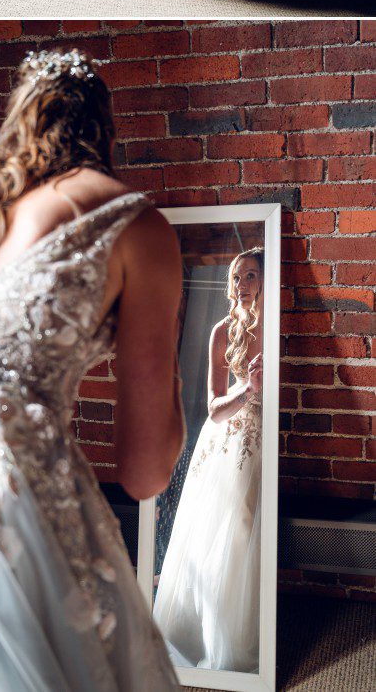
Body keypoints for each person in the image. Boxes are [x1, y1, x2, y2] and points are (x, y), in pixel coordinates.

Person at [0, 48, 186, 691]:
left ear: (19, 124)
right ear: (105, 131)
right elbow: (146, 470)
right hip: (21, 496)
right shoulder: (131, 221)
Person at [152, 251, 264, 672]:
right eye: (237, 276)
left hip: (265, 434)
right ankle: (211, 632)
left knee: (253, 526)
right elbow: (214, 407)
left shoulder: (275, 327)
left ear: (263, 282)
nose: (241, 282)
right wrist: (248, 388)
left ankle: (249, 625)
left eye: (251, 275)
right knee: (226, 527)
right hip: (228, 438)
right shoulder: (221, 332)